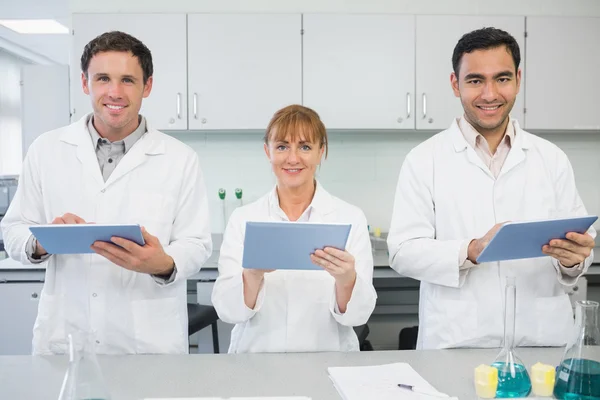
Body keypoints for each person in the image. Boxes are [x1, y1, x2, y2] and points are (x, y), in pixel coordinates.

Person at [0, 31, 212, 355]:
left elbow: (197, 244)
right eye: (102, 78)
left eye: (128, 80)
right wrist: (43, 241)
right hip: (66, 339)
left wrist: (163, 262)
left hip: (146, 345)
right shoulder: (46, 150)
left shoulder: (180, 159)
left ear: (148, 86)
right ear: (85, 84)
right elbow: (13, 231)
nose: (114, 92)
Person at [387, 27, 596, 350]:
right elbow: (402, 252)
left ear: (518, 79)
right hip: (458, 340)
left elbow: (576, 253)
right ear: (455, 84)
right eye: (475, 80)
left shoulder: (551, 158)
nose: (490, 94)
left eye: (502, 78)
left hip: (542, 341)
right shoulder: (424, 159)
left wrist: (573, 259)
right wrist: (470, 250)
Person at [211, 105, 377, 353]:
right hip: (258, 360)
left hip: (328, 358)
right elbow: (227, 310)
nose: (292, 158)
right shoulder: (243, 219)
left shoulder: (350, 218)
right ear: (267, 151)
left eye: (305, 147)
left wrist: (346, 280)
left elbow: (357, 317)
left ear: (321, 152)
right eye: (282, 146)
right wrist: (252, 275)